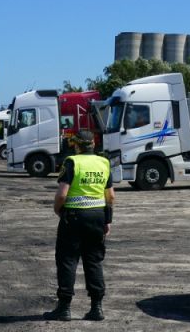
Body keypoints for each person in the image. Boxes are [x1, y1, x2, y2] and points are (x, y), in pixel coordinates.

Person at [43, 130, 115, 322]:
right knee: (93, 261)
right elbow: (111, 196)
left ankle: (64, 308)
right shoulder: (104, 162)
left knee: (67, 260)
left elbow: (61, 194)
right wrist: (107, 220)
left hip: (73, 217)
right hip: (97, 217)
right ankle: (97, 308)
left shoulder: (72, 162)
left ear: (76, 144)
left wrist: (58, 210)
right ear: (92, 143)